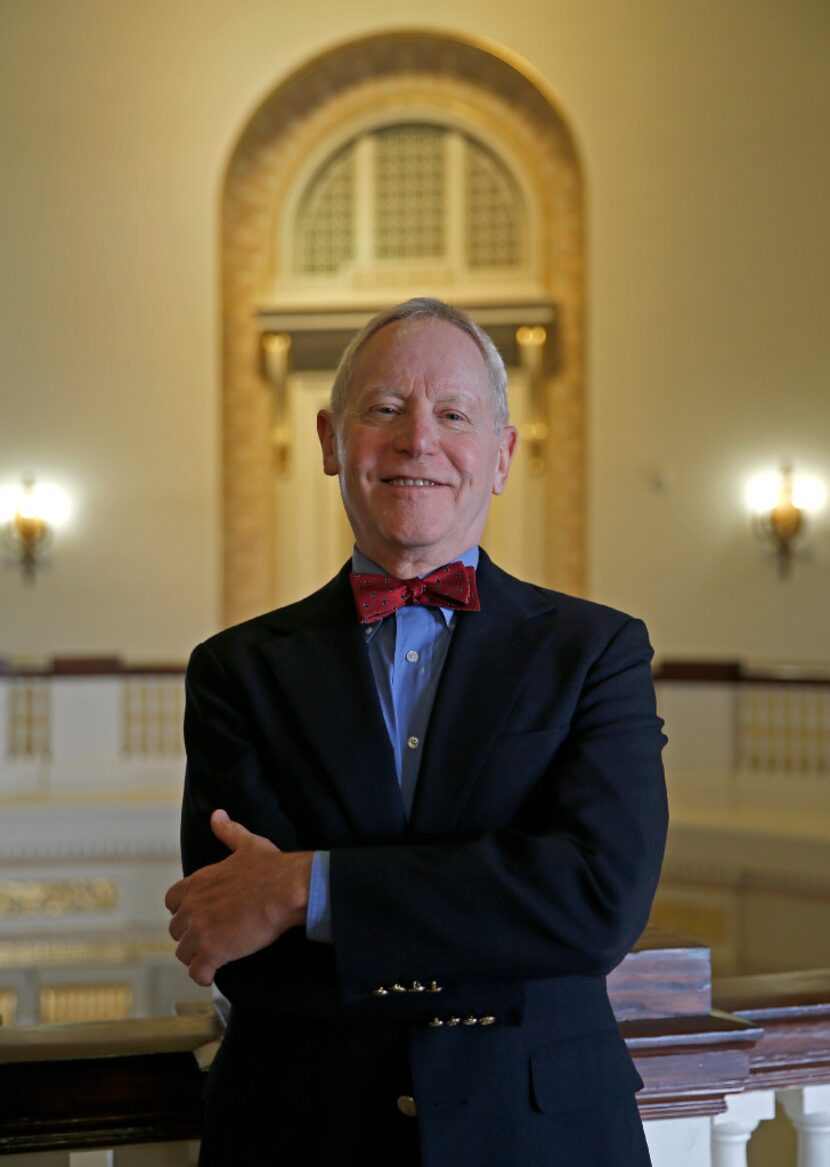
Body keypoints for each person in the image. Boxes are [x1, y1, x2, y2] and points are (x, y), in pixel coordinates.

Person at [165, 297, 668, 1166]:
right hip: (302, 1134)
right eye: (386, 408)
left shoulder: (599, 653)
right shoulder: (235, 670)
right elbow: (238, 946)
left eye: (453, 414)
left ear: (503, 455)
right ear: (331, 440)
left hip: (542, 1135)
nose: (417, 441)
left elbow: (595, 902)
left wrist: (306, 888)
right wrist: (489, 909)